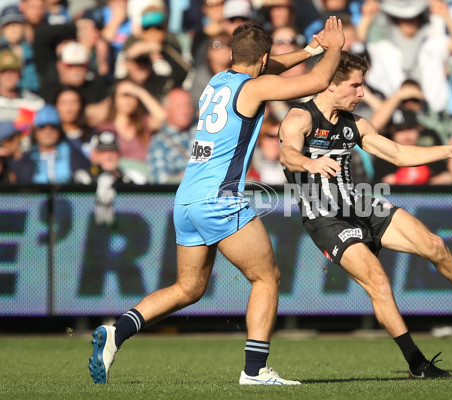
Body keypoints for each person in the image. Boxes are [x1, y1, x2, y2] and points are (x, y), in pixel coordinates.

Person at [88, 17, 345, 385]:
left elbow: (268, 67)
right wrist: (334, 46)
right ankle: (255, 371)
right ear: (265, 56)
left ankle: (116, 333)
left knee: (188, 288)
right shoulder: (254, 88)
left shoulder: (217, 80)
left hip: (187, 198)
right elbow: (318, 82)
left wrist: (309, 51)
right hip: (219, 199)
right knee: (266, 277)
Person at [279, 51, 452, 379]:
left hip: (360, 205)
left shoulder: (356, 124)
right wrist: (309, 163)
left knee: (435, 244)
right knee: (378, 281)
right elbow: (287, 152)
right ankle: (417, 365)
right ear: (332, 85)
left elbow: (396, 153)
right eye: (356, 86)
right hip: (325, 218)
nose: (362, 93)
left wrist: (448, 150)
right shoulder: (300, 118)